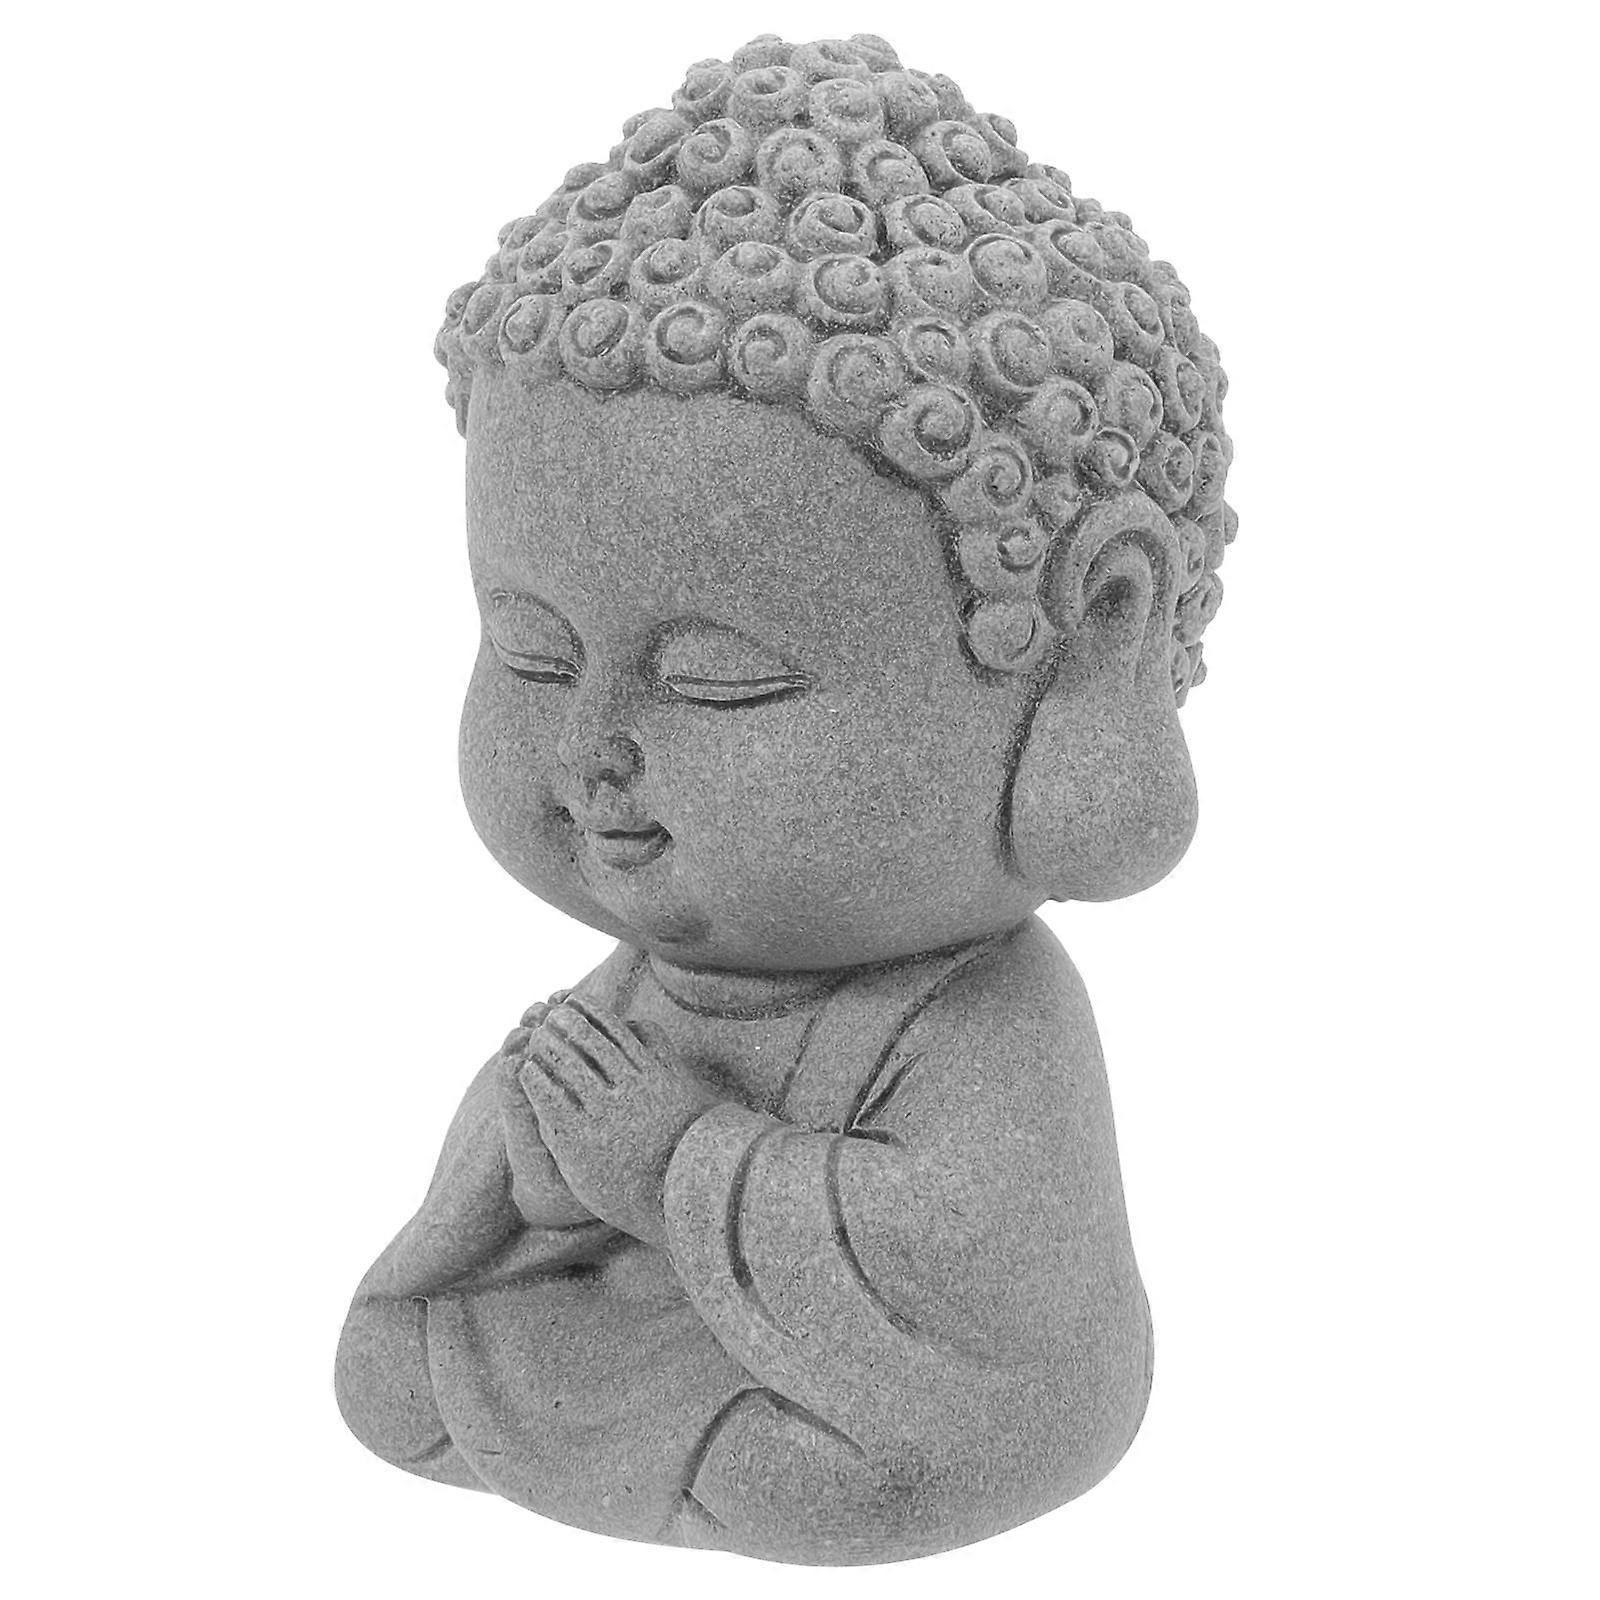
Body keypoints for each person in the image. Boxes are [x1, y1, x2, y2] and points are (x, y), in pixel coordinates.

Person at [337, 31, 1233, 1565]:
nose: (592, 745)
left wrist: (674, 1159)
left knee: (852, 1478)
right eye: (535, 653)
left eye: (719, 681)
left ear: (1084, 645)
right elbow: (502, 1206)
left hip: (896, 1385)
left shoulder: (986, 1019)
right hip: (678, 1322)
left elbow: (989, 1287)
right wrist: (536, 1154)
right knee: (390, 1376)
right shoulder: (644, 984)